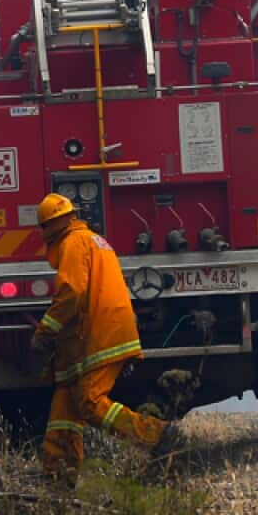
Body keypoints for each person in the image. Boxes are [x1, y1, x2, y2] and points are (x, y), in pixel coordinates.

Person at [31, 193, 181, 480]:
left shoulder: (73, 243)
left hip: (101, 331)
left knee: (90, 401)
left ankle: (156, 435)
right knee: (66, 402)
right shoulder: (91, 239)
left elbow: (72, 292)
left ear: (49, 227)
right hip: (100, 328)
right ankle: (59, 472)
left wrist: (45, 331)